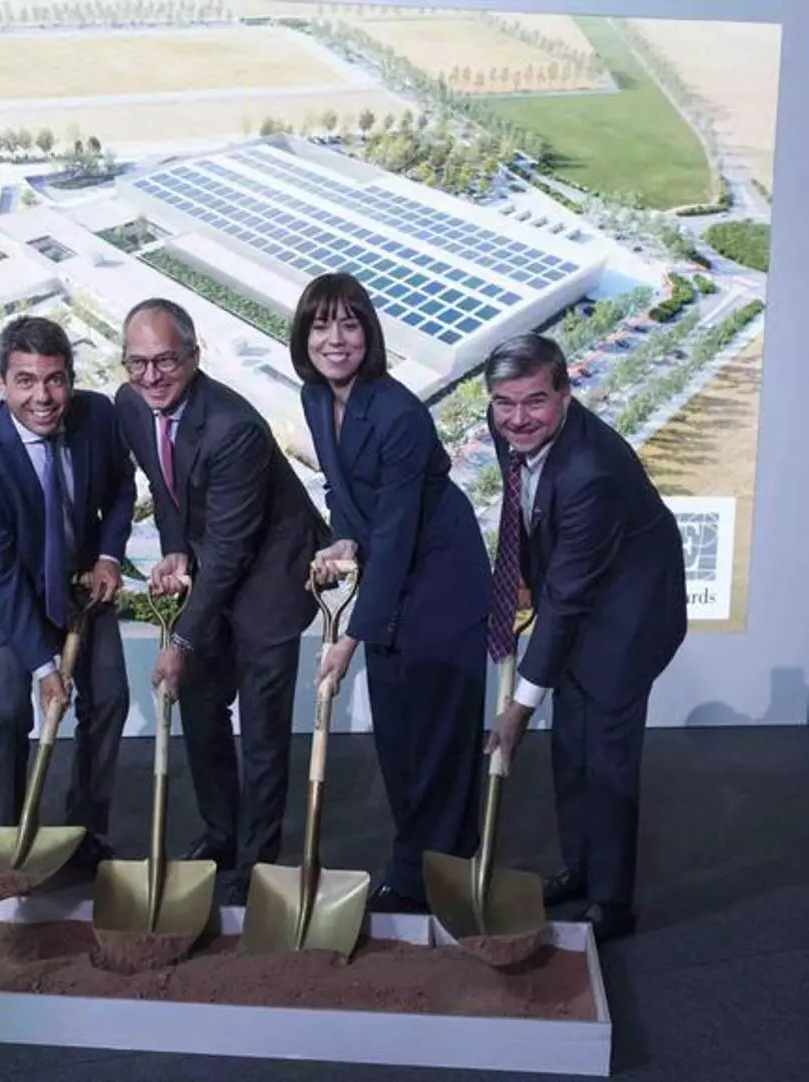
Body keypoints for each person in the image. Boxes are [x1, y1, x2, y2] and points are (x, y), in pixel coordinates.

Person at [114, 297, 330, 905]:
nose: (151, 377)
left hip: (271, 570)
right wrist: (177, 549)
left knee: (261, 726)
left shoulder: (233, 428)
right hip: (215, 554)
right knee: (201, 705)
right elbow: (164, 486)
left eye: (165, 361)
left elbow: (234, 551)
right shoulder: (130, 404)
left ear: (193, 356)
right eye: (138, 363)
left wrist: (182, 638)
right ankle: (222, 833)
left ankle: (256, 861)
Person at [292, 272, 492, 913]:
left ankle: (429, 880)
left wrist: (350, 638)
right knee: (400, 741)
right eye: (321, 325)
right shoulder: (316, 398)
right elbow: (343, 489)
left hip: (440, 581)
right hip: (389, 576)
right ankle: (421, 867)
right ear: (303, 336)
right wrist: (344, 539)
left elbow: (400, 531)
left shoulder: (398, 412)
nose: (335, 339)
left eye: (349, 324)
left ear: (370, 334)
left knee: (438, 745)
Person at [483, 332, 687, 942]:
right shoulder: (507, 425)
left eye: (535, 401)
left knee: (606, 759)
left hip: (628, 613)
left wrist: (518, 711)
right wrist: (520, 571)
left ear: (565, 396)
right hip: (576, 585)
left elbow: (570, 600)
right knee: (571, 748)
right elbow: (521, 502)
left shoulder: (591, 471)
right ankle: (581, 868)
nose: (518, 418)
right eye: (505, 402)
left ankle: (612, 903)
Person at [0, 315, 135, 870]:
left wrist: (108, 555)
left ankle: (83, 833)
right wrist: (43, 666)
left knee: (109, 697)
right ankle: (5, 841)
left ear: (70, 379)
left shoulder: (96, 416)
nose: (43, 396)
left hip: (82, 583)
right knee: (8, 708)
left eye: (55, 379)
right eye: (26, 380)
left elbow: (121, 489)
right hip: (5, 598)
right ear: (2, 383)